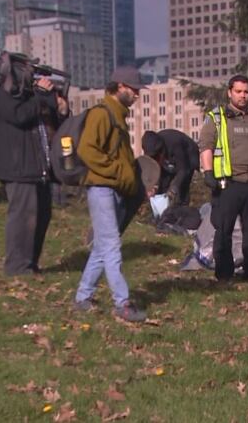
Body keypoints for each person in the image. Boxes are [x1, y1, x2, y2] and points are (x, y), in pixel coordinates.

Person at [73, 67, 147, 322]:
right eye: (133, 90)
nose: (137, 95)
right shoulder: (102, 114)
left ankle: (83, 297)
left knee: (103, 246)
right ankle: (122, 303)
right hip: (102, 188)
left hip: (112, 188)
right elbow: (86, 149)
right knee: (112, 244)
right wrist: (116, 172)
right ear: (119, 86)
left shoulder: (117, 115)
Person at [0, 52, 69, 276]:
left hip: (37, 166)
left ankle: (30, 263)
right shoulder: (2, 95)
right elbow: (19, 116)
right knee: (23, 217)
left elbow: (55, 122)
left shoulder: (30, 96)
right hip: (18, 168)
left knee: (42, 214)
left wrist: (59, 107)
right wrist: (42, 96)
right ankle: (17, 267)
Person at [199, 75, 248, 286]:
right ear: (229, 92)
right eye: (239, 91)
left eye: (246, 92)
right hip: (229, 183)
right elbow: (206, 146)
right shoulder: (217, 117)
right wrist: (208, 172)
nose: (243, 96)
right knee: (224, 230)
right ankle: (224, 274)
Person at [141, 128, 200, 207]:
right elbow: (154, 170)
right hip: (169, 160)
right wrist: (152, 187)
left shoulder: (174, 143)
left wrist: (173, 189)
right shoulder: (150, 148)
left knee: (182, 186)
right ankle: (163, 212)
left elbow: (183, 169)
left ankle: (182, 208)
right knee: (162, 188)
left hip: (188, 156)